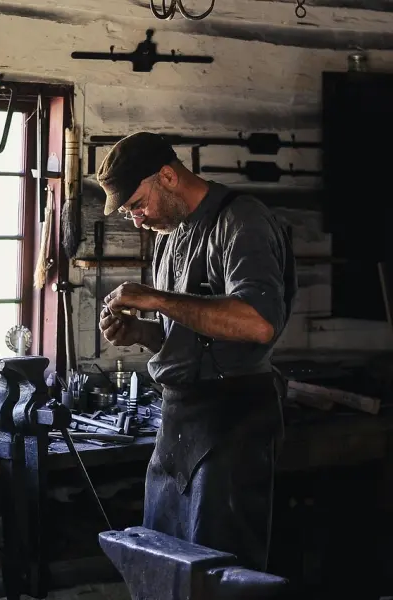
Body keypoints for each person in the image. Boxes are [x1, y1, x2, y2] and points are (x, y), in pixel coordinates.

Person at [96, 132, 297, 572]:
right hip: (180, 422)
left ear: (167, 176)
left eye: (136, 205)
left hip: (232, 422)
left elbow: (258, 323)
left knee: (218, 574)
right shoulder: (170, 237)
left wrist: (159, 299)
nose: (135, 220)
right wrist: (139, 332)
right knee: (165, 565)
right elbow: (188, 334)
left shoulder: (240, 220)